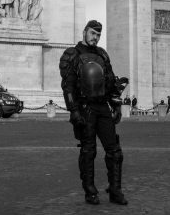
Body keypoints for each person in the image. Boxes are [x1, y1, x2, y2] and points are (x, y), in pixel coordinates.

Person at [59, 20, 128, 205]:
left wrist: (117, 104)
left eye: (98, 35)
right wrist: (73, 111)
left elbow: (111, 82)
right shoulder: (72, 54)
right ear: (84, 32)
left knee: (114, 150)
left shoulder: (103, 55)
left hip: (103, 106)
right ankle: (90, 191)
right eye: (92, 33)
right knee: (88, 151)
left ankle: (115, 190)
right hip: (85, 108)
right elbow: (68, 86)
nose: (95, 37)